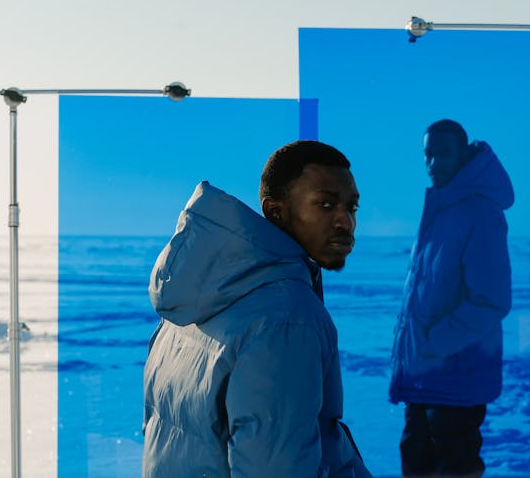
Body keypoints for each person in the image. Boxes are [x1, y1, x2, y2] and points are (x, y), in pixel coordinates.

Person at [142, 140, 371, 477]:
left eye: (351, 207)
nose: (345, 222)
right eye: (325, 205)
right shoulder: (286, 316)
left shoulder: (200, 290)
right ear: (275, 211)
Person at [389, 119, 514, 477]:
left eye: (443, 153)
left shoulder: (480, 213)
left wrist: (432, 343)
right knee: (416, 464)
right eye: (428, 154)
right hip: (425, 376)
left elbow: (491, 301)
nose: (433, 162)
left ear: (463, 154)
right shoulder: (442, 210)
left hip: (456, 378)